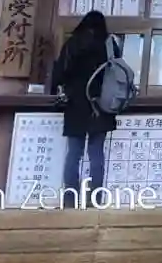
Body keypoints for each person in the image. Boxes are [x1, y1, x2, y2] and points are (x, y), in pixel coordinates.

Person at [49, 11, 118, 207]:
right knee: (96, 154)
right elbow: (117, 73)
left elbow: (60, 73)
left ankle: (70, 200)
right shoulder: (109, 45)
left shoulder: (73, 43)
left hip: (76, 104)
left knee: (74, 153)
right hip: (102, 105)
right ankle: (95, 200)